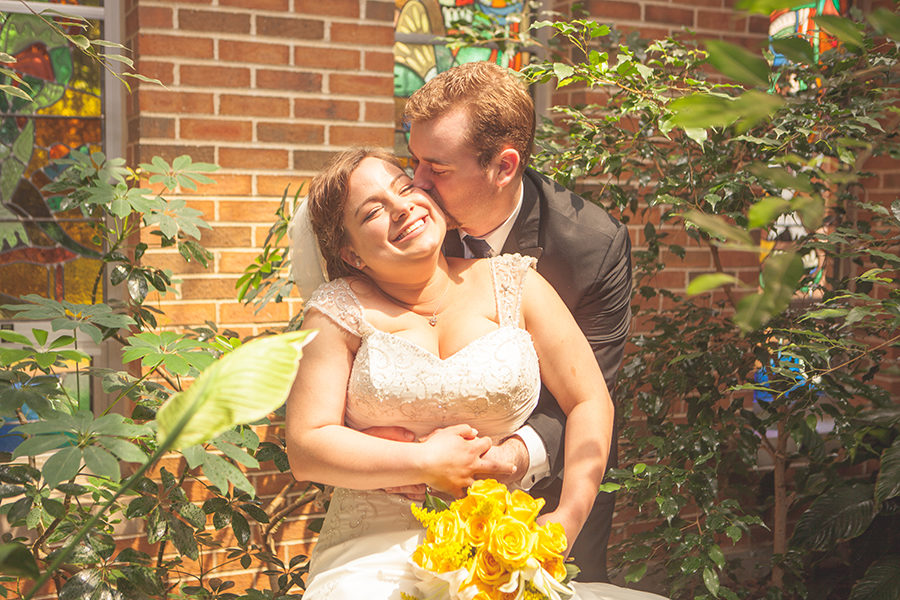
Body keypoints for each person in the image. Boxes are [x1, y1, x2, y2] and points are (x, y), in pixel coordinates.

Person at [285, 149, 661, 600]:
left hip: (501, 545)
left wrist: (565, 521)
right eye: (373, 212)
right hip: (372, 552)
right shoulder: (335, 312)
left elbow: (590, 400)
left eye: (404, 188)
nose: (402, 207)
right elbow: (306, 447)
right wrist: (425, 462)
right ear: (352, 254)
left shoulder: (515, 284)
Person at [398, 61, 633, 582]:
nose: (415, 185)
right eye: (412, 161)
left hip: (552, 490)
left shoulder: (591, 249)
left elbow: (591, 391)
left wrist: (517, 458)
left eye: (436, 169)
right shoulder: (406, 227)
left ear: (504, 167)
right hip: (407, 501)